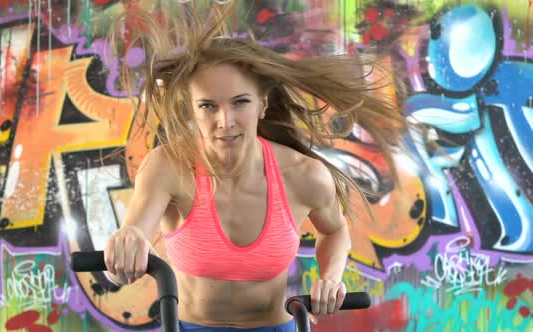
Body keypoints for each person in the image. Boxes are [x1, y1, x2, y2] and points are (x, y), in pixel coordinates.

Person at [103, 2, 407, 331]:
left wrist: (331, 279)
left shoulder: (303, 175)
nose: (225, 121)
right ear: (191, 110)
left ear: (262, 104)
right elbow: (135, 231)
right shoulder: (168, 166)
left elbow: (334, 230)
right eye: (207, 106)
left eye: (240, 102)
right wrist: (126, 243)